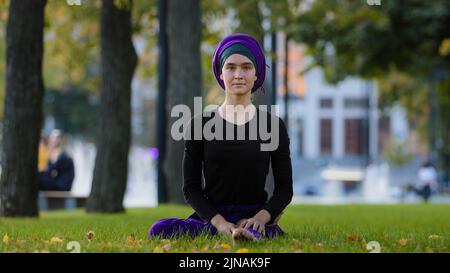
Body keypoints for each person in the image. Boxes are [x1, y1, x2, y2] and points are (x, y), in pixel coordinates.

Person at [148, 33, 293, 242]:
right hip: (212, 216)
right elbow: (191, 188)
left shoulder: (272, 125)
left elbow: (284, 190)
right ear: (221, 73)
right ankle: (229, 232)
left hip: (252, 216)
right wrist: (218, 222)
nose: (238, 75)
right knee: (158, 229)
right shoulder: (200, 124)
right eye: (231, 67)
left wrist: (262, 218)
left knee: (258, 229)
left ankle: (250, 231)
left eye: (246, 67)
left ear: (256, 74)